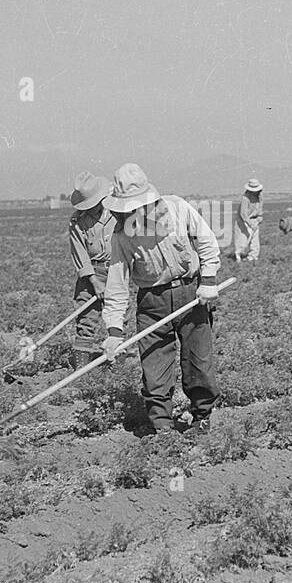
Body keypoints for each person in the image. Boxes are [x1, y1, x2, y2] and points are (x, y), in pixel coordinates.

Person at [100, 163, 221, 436]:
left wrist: (209, 280)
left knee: (198, 361)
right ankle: (163, 428)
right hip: (151, 302)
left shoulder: (177, 208)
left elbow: (206, 241)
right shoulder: (121, 235)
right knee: (154, 367)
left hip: (190, 293)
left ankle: (202, 418)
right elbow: (117, 285)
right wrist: (114, 331)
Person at [67, 172, 114, 368]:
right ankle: (81, 368)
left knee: (120, 318)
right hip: (91, 275)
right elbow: (80, 255)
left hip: (117, 271)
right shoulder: (77, 222)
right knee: (86, 319)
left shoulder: (117, 212)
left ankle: (117, 362)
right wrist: (95, 282)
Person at [232, 178, 264, 261]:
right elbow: (243, 213)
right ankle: (238, 256)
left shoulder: (260, 197)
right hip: (243, 221)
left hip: (254, 220)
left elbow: (260, 210)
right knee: (242, 239)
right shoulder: (245, 198)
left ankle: (253, 257)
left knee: (255, 241)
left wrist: (259, 218)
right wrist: (249, 223)